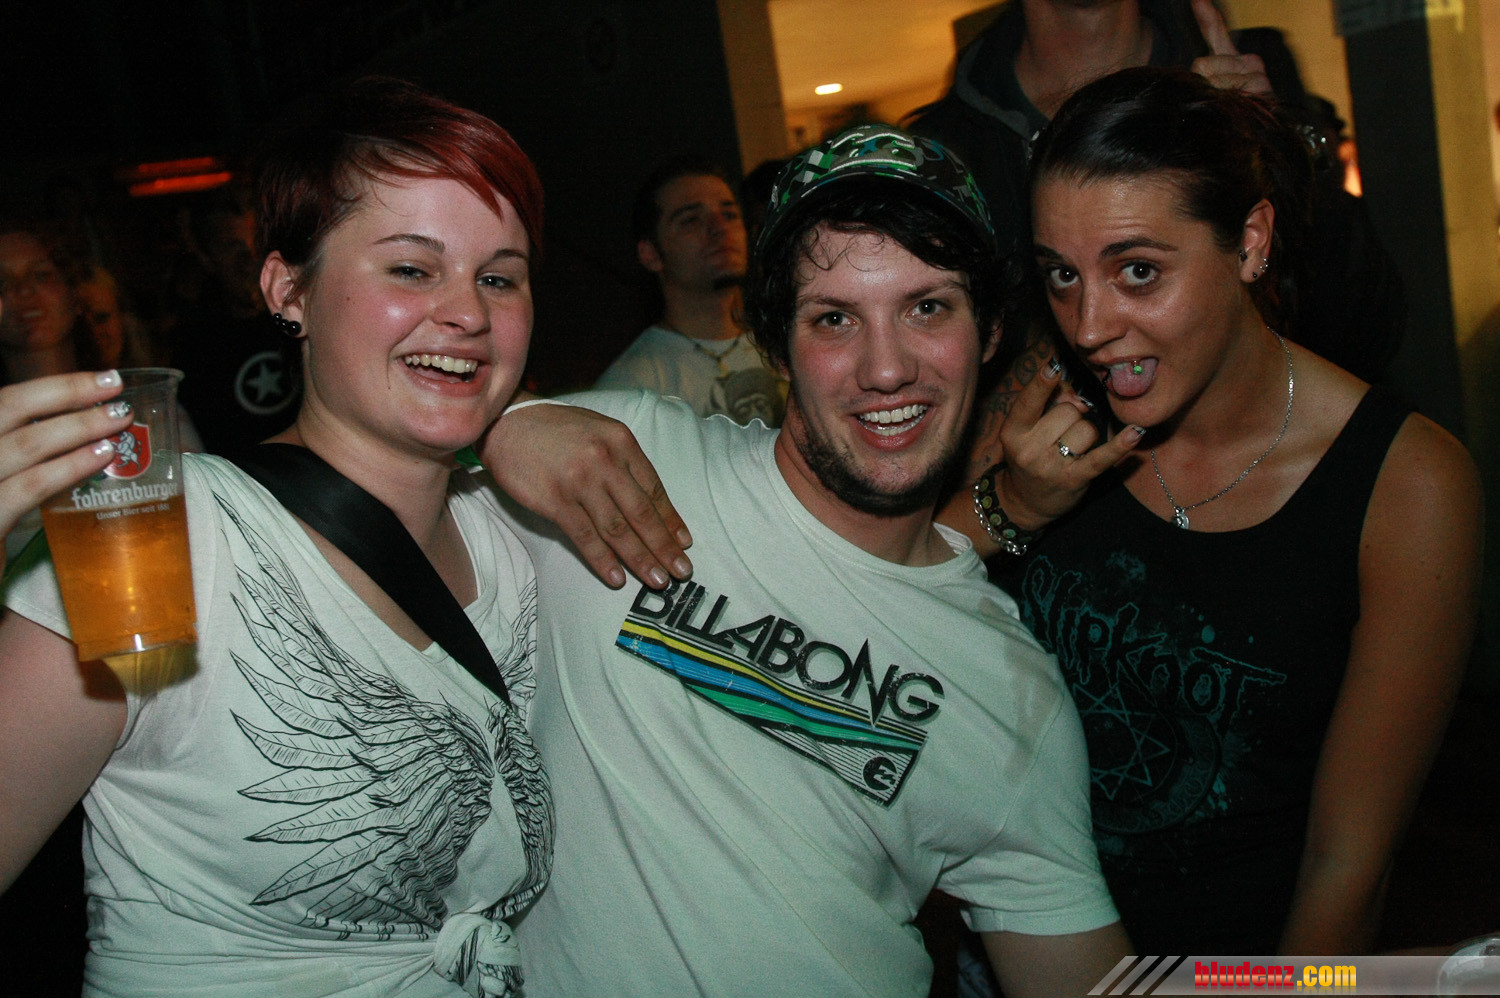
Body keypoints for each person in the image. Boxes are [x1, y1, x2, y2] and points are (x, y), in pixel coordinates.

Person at [483, 125, 1128, 997]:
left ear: (989, 332)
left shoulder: (1014, 697)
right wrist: (487, 432)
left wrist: (1319, 982)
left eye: (928, 308)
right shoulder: (629, 458)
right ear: (776, 344)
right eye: (834, 319)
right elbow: (333, 503)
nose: (886, 368)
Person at [0, 77, 575, 997]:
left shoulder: (528, 536)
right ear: (287, 289)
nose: (468, 312)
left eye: (499, 277)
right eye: (411, 269)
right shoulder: (164, 538)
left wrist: (548, 422)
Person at [943, 67, 1481, 955]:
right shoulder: (1045, 399)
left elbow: (1347, 864)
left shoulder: (1406, 483)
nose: (1089, 325)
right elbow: (894, 582)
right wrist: (1011, 503)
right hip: (1013, 953)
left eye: (1138, 272)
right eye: (1062, 275)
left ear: (1251, 242)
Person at [908, 0, 1404, 392]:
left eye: (1141, 271)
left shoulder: (1244, 71)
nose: (1092, 328)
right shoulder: (943, 149)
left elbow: (1366, 331)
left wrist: (1282, 150)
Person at [595, 156, 786, 425]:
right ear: (651, 254)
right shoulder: (629, 387)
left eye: (729, 215)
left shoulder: (786, 347)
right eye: (691, 220)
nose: (719, 228)